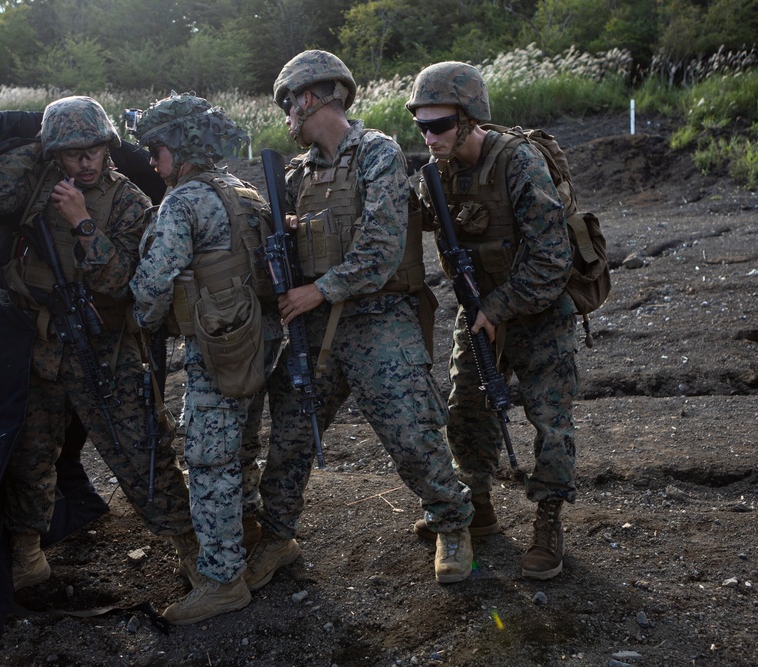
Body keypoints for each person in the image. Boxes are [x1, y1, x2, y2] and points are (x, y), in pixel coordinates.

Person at [247, 49, 476, 590]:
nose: (286, 119)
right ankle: (278, 535)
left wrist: (318, 290)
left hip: (378, 318)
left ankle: (452, 523)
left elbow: (380, 248)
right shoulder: (299, 175)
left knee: (412, 434)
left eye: (288, 105)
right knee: (290, 437)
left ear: (309, 98)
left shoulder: (377, 153)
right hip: (317, 325)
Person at [0, 95, 199, 590]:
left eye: (94, 150)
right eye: (73, 152)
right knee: (30, 455)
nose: (86, 161)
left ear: (108, 147)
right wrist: (38, 147)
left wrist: (82, 222)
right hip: (45, 347)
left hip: (107, 351)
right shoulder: (37, 186)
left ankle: (192, 547)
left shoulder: (128, 201)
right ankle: (27, 555)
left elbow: (127, 283)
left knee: (143, 451)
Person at [406, 62, 579, 580]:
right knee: (465, 408)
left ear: (469, 118)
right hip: (477, 307)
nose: (429, 136)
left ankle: (548, 521)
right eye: (421, 126)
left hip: (538, 310)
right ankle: (476, 506)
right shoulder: (436, 175)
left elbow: (553, 259)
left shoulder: (519, 164)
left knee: (550, 420)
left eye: (439, 125)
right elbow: (405, 221)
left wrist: (497, 310)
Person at [130, 92, 277, 625]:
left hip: (217, 348)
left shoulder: (185, 200)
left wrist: (141, 321)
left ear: (182, 148)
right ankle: (250, 535)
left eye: (155, 149)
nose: (151, 161)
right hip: (257, 341)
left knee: (209, 459)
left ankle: (222, 579)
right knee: (240, 448)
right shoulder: (243, 190)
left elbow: (153, 282)